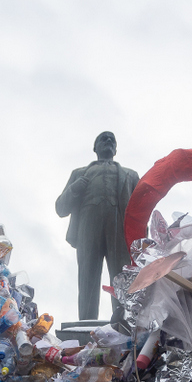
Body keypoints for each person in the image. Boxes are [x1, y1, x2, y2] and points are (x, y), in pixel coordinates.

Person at [55, 131, 140, 320]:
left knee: (121, 277)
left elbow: (142, 207)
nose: (108, 140)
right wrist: (74, 188)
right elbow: (61, 208)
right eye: (104, 138)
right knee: (87, 277)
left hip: (119, 228)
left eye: (112, 139)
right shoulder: (78, 174)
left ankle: (123, 321)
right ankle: (86, 322)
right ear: (95, 148)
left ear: (116, 149)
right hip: (87, 226)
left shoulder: (131, 175)